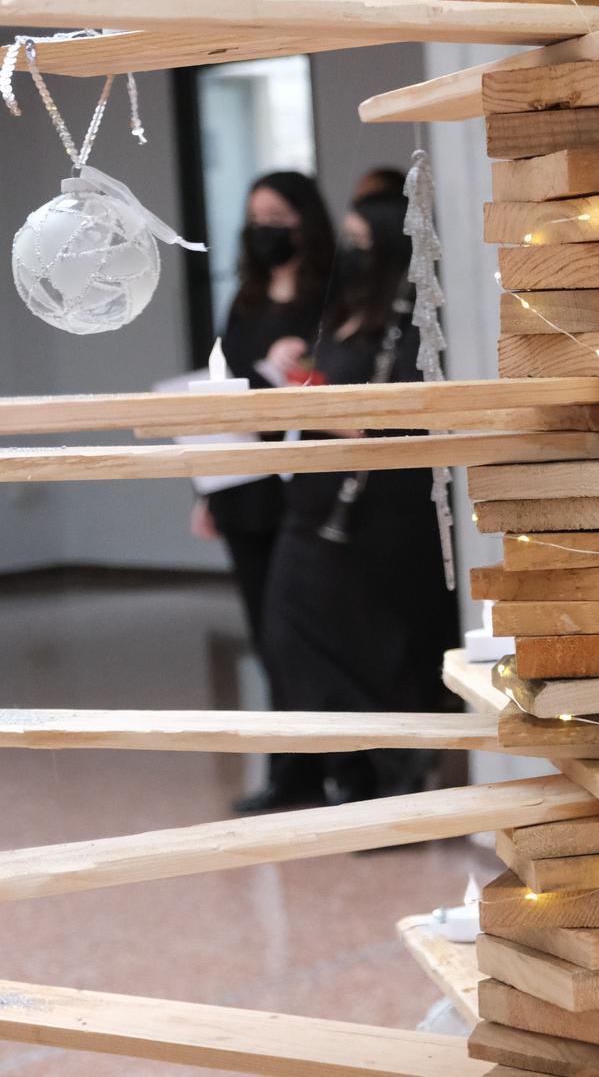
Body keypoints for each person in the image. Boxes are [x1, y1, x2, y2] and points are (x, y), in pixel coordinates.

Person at [262, 189, 459, 805]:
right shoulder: (348, 307)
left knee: (367, 647)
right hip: (315, 499)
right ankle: (343, 770)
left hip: (375, 511)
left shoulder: (410, 320)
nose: (351, 251)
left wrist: (309, 394)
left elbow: (390, 421)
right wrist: (295, 367)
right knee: (291, 634)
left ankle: (388, 778)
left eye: (362, 241)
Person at [190, 171, 335, 814]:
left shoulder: (328, 294)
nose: (264, 227)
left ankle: (335, 769)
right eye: (255, 216)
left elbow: (334, 383)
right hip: (240, 484)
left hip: (300, 485)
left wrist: (293, 372)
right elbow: (220, 393)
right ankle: (290, 776)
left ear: (305, 219)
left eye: (277, 214)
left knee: (297, 630)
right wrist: (204, 491)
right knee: (265, 635)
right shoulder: (245, 299)